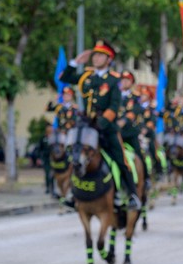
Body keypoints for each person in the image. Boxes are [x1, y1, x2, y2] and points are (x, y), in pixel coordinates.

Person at [58, 39, 141, 210]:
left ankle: (131, 194)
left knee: (120, 159)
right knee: (75, 155)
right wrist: (75, 62)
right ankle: (74, 194)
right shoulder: (87, 77)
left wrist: (101, 122)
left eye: (100, 56)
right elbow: (64, 78)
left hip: (106, 127)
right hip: (88, 126)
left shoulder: (113, 80)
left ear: (108, 59)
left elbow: (114, 106)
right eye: (94, 55)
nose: (95, 58)